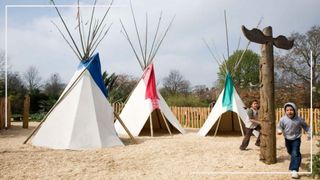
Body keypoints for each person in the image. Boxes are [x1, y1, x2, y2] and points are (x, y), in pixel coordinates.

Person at [277, 102, 311, 179]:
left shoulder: (299, 119)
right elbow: (279, 126)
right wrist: (279, 130)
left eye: (291, 110)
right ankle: (296, 157)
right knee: (290, 151)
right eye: (287, 110)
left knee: (295, 152)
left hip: (296, 138)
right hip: (287, 138)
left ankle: (294, 170)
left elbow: (306, 127)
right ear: (285, 111)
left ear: (295, 110)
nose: (289, 112)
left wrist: (309, 133)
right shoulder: (283, 119)